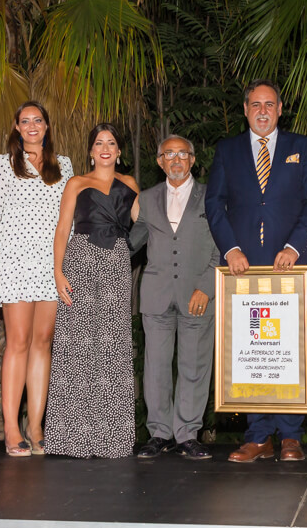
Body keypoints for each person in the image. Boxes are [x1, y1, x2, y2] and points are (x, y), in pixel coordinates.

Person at [205, 79, 307, 463]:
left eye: (269, 104)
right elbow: (214, 204)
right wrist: (231, 249)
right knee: (252, 349)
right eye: (255, 104)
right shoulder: (226, 150)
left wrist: (294, 246)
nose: (262, 111)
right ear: (245, 110)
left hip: (289, 266)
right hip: (244, 268)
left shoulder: (301, 147)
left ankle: (290, 436)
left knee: (288, 347)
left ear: (280, 108)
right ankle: (258, 436)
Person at [0, 101, 73, 457]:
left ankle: (35, 426)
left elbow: (68, 221)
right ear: (17, 127)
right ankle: (11, 428)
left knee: (42, 343)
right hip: (13, 264)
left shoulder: (64, 165)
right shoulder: (3, 164)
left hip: (50, 265)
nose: (32, 126)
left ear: (47, 125)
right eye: (25, 121)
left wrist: (64, 266)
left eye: (38, 120)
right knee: (18, 341)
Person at [46, 123, 140, 458]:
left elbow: (145, 225)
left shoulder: (130, 184)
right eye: (99, 143)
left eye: (111, 143)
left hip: (116, 262)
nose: (105, 148)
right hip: (80, 259)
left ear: (119, 151)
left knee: (112, 345)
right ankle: (71, 437)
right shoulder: (76, 183)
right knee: (77, 345)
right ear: (90, 151)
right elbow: (62, 228)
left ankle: (112, 438)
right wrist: (58, 272)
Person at [128, 135, 220, 461]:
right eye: (170, 154)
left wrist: (207, 287)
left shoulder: (212, 196)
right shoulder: (147, 199)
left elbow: (224, 246)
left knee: (194, 366)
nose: (177, 160)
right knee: (155, 367)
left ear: (193, 160)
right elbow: (131, 243)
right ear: (160, 161)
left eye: (183, 154)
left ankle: (187, 434)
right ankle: (159, 433)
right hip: (157, 295)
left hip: (198, 295)